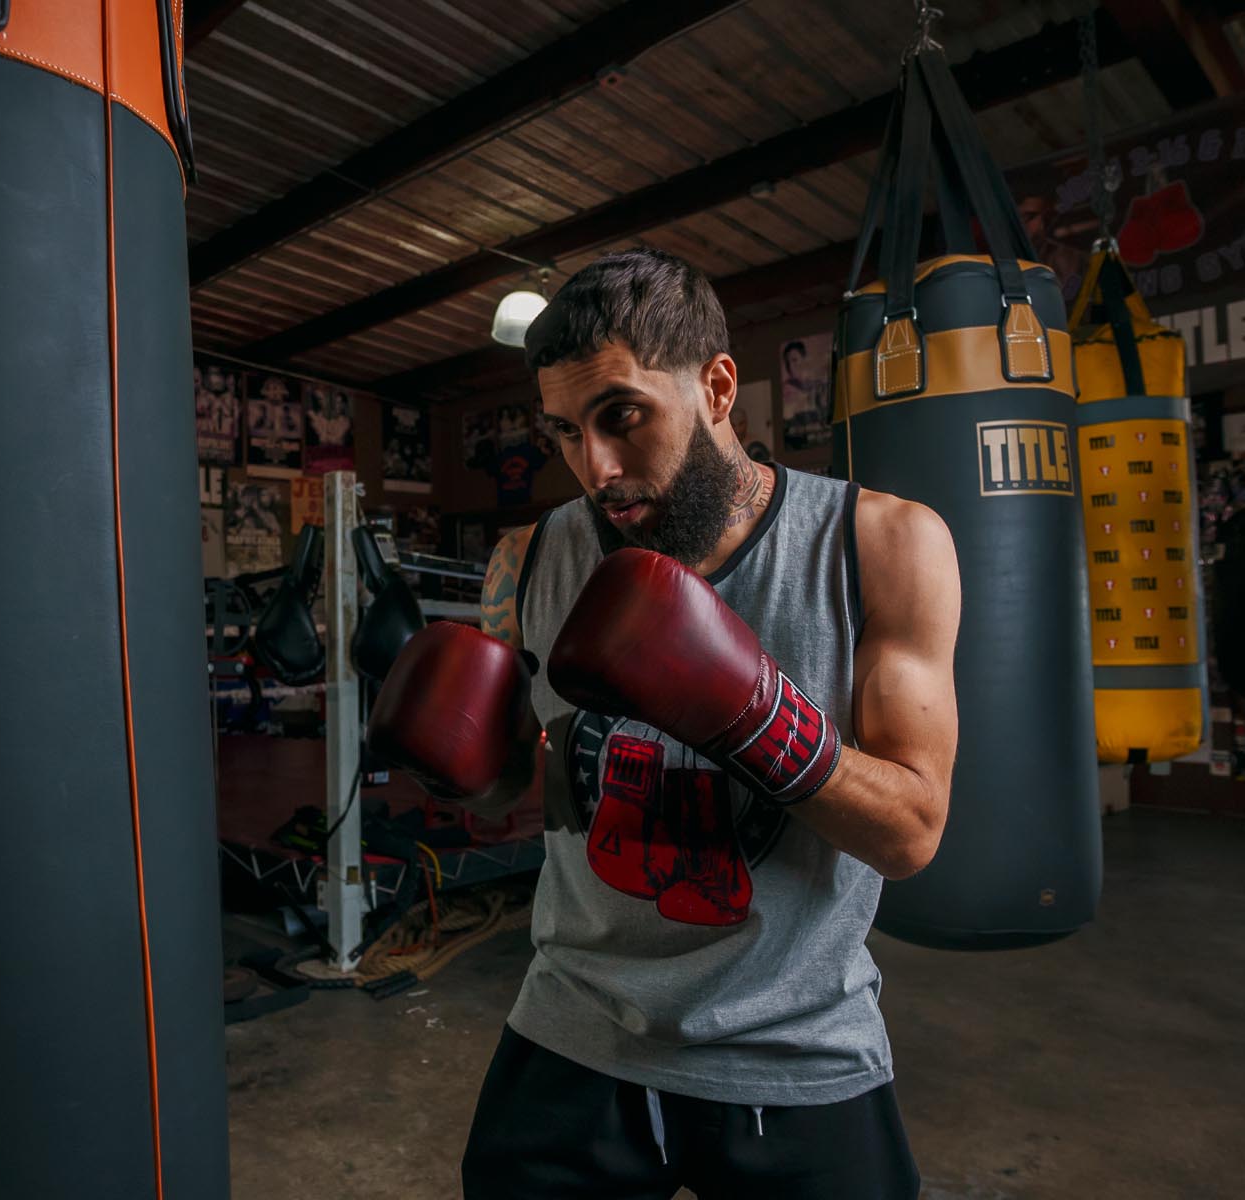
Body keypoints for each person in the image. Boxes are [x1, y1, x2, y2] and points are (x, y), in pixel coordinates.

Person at [367, 249, 960, 1198]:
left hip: (794, 1049)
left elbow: (912, 833)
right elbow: (544, 793)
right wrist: (484, 772)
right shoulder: (527, 561)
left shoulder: (881, 545)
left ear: (718, 386)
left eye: (622, 415)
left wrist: (749, 710)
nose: (595, 467)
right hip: (577, 1028)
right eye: (565, 431)